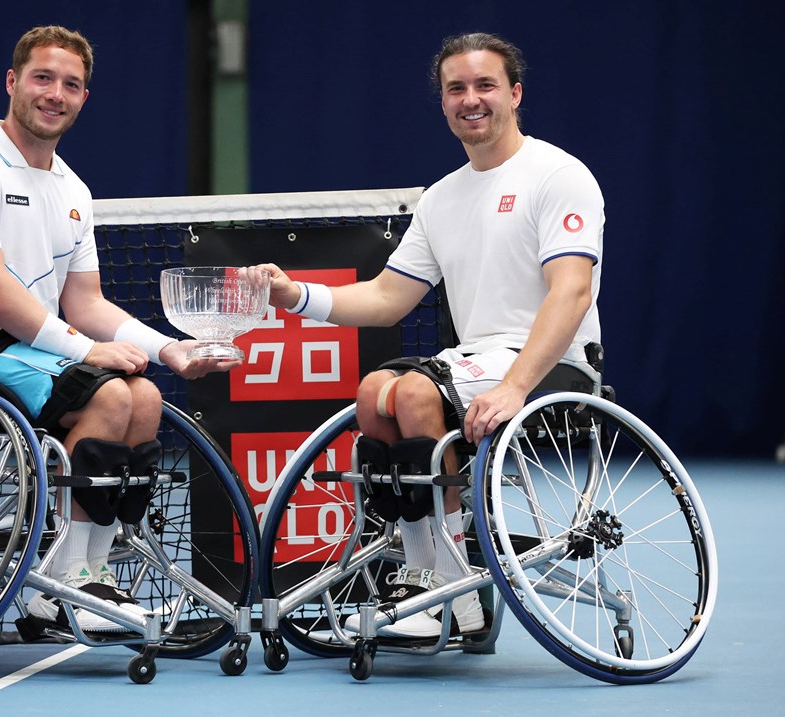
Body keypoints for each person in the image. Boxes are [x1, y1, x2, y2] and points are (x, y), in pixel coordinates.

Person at [249, 32, 604, 639]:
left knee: (411, 394)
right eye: (456, 88)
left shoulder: (559, 175)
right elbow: (388, 298)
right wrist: (294, 295)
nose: (471, 99)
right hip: (475, 365)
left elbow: (570, 291)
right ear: (442, 102)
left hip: (554, 366)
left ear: (515, 94)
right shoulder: (440, 197)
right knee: (373, 393)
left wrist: (517, 385)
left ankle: (439, 589)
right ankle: (435, 581)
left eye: (485, 85)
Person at [0, 25, 236, 632]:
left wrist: (169, 350)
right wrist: (86, 351)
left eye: (71, 85)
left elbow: (85, 302)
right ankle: (59, 584)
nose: (55, 93)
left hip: (30, 346)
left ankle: (88, 573)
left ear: (84, 97)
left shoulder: (73, 190)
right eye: (43, 78)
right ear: (13, 82)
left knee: (146, 395)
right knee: (107, 393)